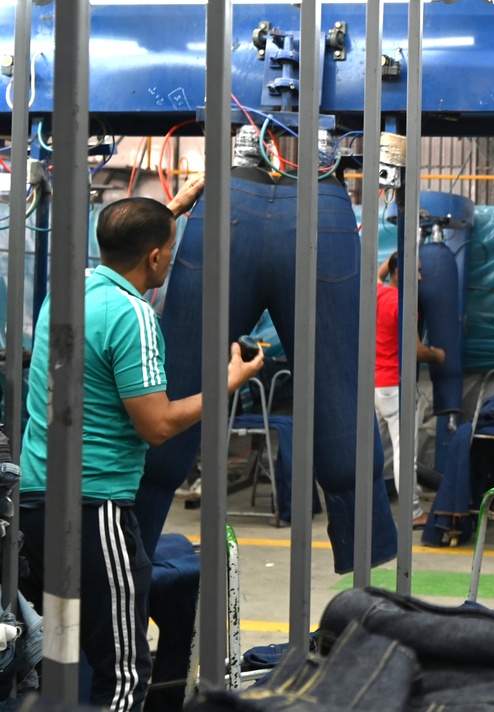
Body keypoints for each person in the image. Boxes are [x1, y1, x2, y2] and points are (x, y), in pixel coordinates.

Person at [18, 179, 265, 712]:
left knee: (57, 655)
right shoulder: (136, 318)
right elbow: (156, 425)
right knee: (127, 670)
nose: (172, 260)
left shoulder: (67, 291)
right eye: (168, 252)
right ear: (154, 257)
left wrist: (169, 211)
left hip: (38, 502)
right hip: (96, 507)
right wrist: (228, 382)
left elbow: (125, 264)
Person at [376, 251, 446, 528]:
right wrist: (437, 356)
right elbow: (416, 351)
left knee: (373, 451)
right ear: (398, 273)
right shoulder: (405, 304)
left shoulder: (376, 293)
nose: (419, 276)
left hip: (375, 387)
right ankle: (413, 513)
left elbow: (378, 273)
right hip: (396, 387)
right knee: (405, 454)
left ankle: (369, 507)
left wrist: (400, 251)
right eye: (414, 270)